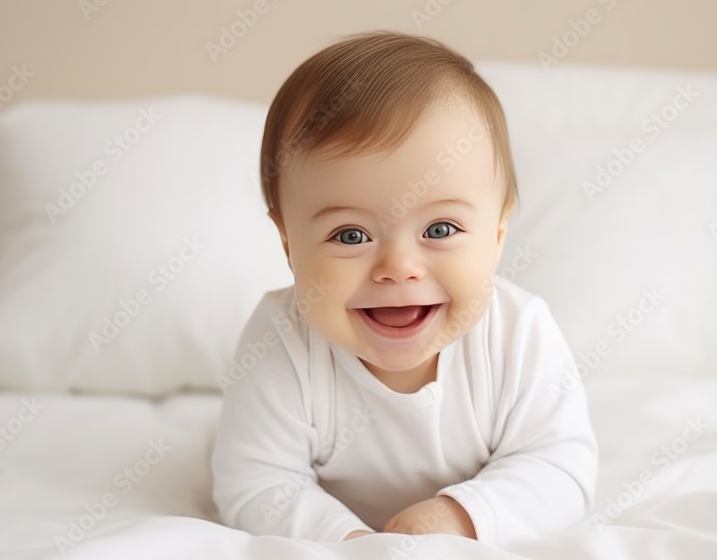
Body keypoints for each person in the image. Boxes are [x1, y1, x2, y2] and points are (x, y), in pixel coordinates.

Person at [211, 30, 598, 548]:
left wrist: (459, 516)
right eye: (350, 235)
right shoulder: (282, 340)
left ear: (498, 235)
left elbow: (560, 469)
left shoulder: (519, 334)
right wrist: (350, 540)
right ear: (288, 243)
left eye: (440, 229)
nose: (398, 268)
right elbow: (256, 483)